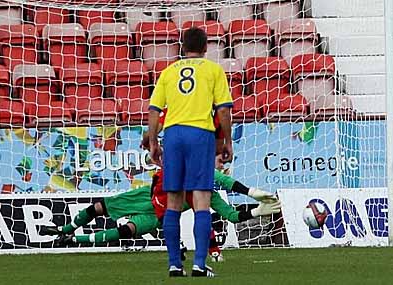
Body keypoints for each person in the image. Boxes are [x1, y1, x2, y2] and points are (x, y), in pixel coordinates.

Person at [148, 27, 233, 277]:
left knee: (173, 200)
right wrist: (227, 141)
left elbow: (154, 111)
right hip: (200, 134)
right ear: (206, 47)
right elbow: (224, 111)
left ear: (182, 48)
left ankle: (175, 265)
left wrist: (154, 142)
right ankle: (198, 263)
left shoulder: (168, 72)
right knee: (201, 200)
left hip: (173, 135)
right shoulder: (213, 70)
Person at [39, 171, 280, 256]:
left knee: (127, 231)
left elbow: (231, 215)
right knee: (98, 207)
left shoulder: (210, 196)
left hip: (159, 214)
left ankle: (72, 240)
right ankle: (65, 229)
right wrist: (251, 191)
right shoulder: (199, 172)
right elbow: (225, 179)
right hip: (146, 196)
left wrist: (258, 210)